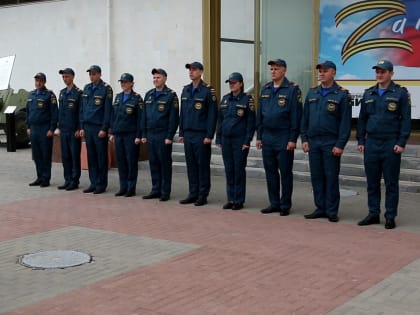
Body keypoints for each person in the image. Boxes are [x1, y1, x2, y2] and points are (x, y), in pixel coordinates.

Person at [356, 60, 411, 229]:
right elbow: (362, 119)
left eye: (383, 72)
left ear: (391, 74)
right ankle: (373, 213)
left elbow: (406, 120)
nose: (379, 75)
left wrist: (401, 142)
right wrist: (361, 140)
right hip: (371, 143)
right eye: (377, 72)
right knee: (372, 182)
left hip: (390, 143)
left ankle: (390, 216)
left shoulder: (400, 93)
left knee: (391, 182)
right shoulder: (369, 93)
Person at [301, 61, 352, 222]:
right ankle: (320, 208)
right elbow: (305, 118)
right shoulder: (312, 93)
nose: (321, 73)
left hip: (331, 142)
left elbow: (345, 123)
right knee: (316, 176)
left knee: (330, 176)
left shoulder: (342, 94)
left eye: (325, 71)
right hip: (314, 141)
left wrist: (340, 144)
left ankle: (331, 210)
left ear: (333, 73)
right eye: (320, 71)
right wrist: (304, 138)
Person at [256, 59, 303, 216]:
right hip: (268, 136)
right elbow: (260, 115)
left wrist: (292, 139)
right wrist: (259, 136)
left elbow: (296, 116)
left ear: (284, 71)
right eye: (271, 69)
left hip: (283, 136)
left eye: (276, 69)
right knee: (270, 172)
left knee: (285, 172)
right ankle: (274, 203)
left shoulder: (292, 90)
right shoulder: (265, 89)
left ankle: (285, 204)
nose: (273, 71)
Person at [178, 61, 218, 206]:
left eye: (194, 70)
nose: (191, 72)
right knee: (191, 165)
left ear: (201, 72)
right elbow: (182, 113)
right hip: (188, 134)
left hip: (201, 135)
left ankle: (203, 194)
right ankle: (192, 193)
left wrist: (209, 135)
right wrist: (181, 132)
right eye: (189, 70)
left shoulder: (208, 91)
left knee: (202, 165)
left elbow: (212, 115)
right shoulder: (186, 90)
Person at [216, 72, 255, 210]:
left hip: (240, 141)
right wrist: (218, 137)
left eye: (234, 82)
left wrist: (247, 140)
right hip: (226, 140)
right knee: (229, 169)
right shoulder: (225, 99)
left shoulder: (247, 100)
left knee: (238, 170)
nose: (231, 85)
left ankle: (239, 200)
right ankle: (230, 198)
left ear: (241, 84)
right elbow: (220, 120)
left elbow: (251, 122)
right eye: (230, 83)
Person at [141, 68, 179, 201]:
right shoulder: (149, 94)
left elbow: (173, 118)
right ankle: (155, 189)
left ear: (165, 78)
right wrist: (144, 134)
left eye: (158, 77)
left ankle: (165, 191)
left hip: (163, 135)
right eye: (154, 78)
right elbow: (144, 116)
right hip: (151, 134)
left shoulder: (171, 95)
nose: (155, 80)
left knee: (164, 164)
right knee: (153, 163)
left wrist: (169, 136)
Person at [79, 65, 113, 194]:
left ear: (99, 74)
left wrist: (105, 128)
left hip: (99, 128)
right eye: (90, 74)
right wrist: (82, 126)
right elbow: (82, 109)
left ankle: (101, 184)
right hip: (88, 127)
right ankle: (93, 182)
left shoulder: (106, 89)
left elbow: (107, 111)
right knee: (91, 157)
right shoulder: (87, 88)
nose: (91, 76)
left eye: (94, 74)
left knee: (101, 157)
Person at [109, 73, 143, 197]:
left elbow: (140, 119)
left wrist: (139, 136)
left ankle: (131, 187)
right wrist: (112, 132)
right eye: (121, 82)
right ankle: (123, 186)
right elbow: (113, 116)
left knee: (131, 161)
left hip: (131, 135)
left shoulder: (137, 98)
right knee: (121, 162)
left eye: (125, 82)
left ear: (131, 83)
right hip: (118, 134)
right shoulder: (118, 97)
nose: (123, 84)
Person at [26, 72, 58, 188]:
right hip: (34, 129)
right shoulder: (31, 95)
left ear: (44, 82)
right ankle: (39, 177)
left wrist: (51, 129)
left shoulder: (49, 95)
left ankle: (46, 178)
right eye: (36, 81)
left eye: (40, 81)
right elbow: (28, 112)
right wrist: (28, 126)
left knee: (45, 154)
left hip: (44, 129)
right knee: (37, 155)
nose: (38, 83)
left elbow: (54, 113)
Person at [57, 68, 83, 191]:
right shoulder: (62, 93)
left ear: (72, 77)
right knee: (65, 156)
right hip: (64, 130)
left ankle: (74, 180)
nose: (65, 79)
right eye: (63, 77)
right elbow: (60, 112)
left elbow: (80, 112)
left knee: (74, 156)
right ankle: (67, 179)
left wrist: (79, 128)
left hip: (73, 130)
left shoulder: (78, 93)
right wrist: (59, 127)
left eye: (67, 76)